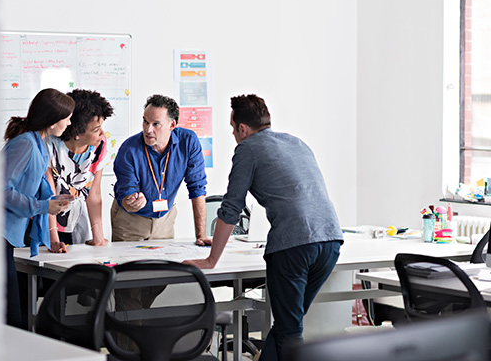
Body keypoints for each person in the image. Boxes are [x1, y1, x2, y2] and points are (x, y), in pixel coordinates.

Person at [184, 94, 344, 360]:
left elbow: (231, 207)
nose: (234, 135)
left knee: (290, 330)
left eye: (233, 130)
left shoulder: (247, 148)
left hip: (294, 246)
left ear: (242, 129)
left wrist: (212, 259)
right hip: (330, 242)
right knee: (286, 325)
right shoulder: (298, 143)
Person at [3, 88, 75, 328]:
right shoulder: (25, 143)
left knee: (16, 313)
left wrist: (57, 200)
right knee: (12, 316)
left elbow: (39, 185)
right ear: (53, 120)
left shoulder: (39, 143)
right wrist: (44, 205)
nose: (70, 122)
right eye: (67, 117)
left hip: (6, 235)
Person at [111, 94, 210, 245]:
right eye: (145, 122)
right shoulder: (129, 149)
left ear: (172, 125)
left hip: (165, 219)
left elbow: (197, 188)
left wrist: (201, 236)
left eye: (156, 124)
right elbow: (126, 194)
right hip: (131, 220)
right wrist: (132, 201)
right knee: (130, 268)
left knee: (164, 266)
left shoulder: (188, 142)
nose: (148, 129)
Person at [45, 89, 114, 249]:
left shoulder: (100, 146)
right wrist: (53, 239)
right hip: (46, 221)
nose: (102, 134)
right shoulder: (49, 146)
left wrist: (98, 236)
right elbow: (49, 196)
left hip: (76, 219)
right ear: (76, 133)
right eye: (96, 130)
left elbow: (94, 194)